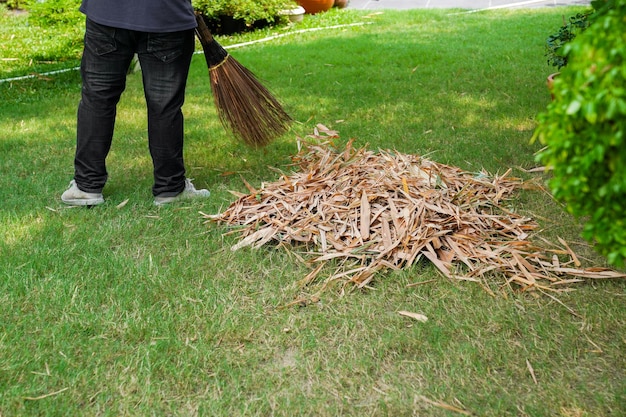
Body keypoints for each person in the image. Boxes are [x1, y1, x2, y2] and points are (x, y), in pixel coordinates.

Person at [61, 0, 210, 206]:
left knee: (98, 99)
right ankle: (170, 189)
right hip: (166, 14)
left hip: (107, 11)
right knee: (164, 105)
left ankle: (86, 187)